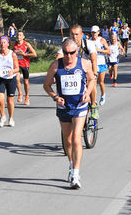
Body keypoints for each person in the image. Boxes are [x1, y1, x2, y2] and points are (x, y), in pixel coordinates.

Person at [43, 38, 96, 189]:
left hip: (80, 105)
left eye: (72, 53)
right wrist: (55, 97)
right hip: (64, 107)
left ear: (77, 52)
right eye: (65, 53)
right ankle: (71, 165)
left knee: (76, 138)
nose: (68, 56)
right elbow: (46, 85)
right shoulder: (55, 65)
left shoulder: (84, 63)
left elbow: (92, 79)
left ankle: (76, 175)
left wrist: (88, 92)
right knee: (67, 141)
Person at [56, 25, 99, 119]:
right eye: (72, 34)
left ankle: (93, 105)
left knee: (92, 83)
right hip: (73, 69)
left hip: (87, 68)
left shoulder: (89, 44)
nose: (74, 37)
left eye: (77, 34)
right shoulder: (67, 44)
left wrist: (94, 73)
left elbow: (94, 60)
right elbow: (58, 58)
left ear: (82, 35)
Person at [0, 36, 19, 127]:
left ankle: (11, 118)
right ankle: (2, 116)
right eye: (1, 42)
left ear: (8, 44)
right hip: (0, 78)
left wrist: (12, 71)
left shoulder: (12, 54)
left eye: (4, 42)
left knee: (10, 99)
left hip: (11, 79)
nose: (2, 44)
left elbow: (17, 68)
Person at [13, 30, 37, 106]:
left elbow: (34, 54)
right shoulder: (14, 44)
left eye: (20, 35)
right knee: (16, 79)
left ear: (23, 37)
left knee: (26, 82)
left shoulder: (26, 44)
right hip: (17, 65)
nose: (18, 36)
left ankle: (27, 96)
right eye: (17, 35)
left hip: (25, 65)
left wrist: (24, 54)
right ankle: (20, 93)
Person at [90, 25, 110, 105]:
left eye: (95, 32)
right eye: (92, 32)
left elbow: (108, 51)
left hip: (101, 63)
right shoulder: (89, 41)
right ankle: (93, 99)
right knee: (93, 82)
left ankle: (103, 95)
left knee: (101, 82)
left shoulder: (102, 40)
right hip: (92, 64)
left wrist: (99, 50)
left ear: (98, 32)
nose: (94, 34)